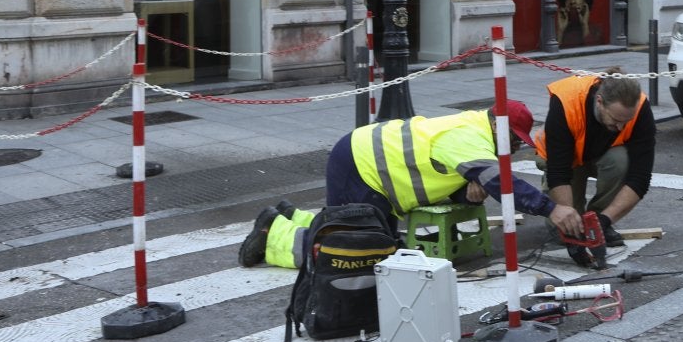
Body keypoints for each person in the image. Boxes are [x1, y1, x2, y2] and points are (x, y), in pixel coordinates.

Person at [239, 103, 584, 268]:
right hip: (360, 165)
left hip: (363, 163)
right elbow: (504, 185)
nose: (513, 146)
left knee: (372, 239)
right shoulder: (468, 138)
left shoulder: (474, 131)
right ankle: (274, 235)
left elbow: (436, 174)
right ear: (498, 127)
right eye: (513, 138)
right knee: (356, 253)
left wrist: (468, 186)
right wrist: (551, 208)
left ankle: (291, 217)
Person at [536, 71, 656, 267]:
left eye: (625, 122)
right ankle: (574, 219)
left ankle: (595, 219)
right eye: (616, 120)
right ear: (599, 101)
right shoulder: (566, 101)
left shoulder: (640, 109)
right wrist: (570, 228)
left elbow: (640, 178)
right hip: (566, 160)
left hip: (601, 155)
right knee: (559, 229)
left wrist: (604, 220)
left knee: (620, 161)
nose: (620, 127)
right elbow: (559, 172)